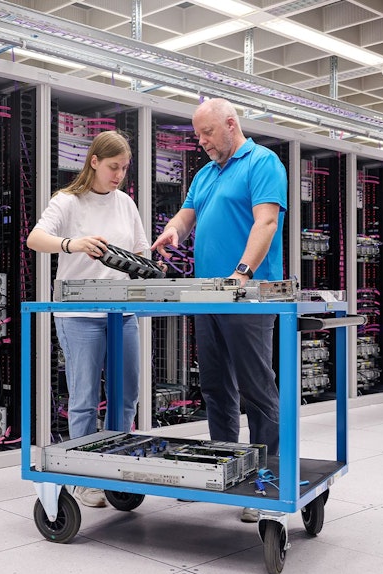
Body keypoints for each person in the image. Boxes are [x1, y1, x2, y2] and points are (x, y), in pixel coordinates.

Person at [151, 98, 287, 523]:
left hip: (247, 294)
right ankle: (224, 469)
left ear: (231, 125)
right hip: (208, 295)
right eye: (198, 135)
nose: (202, 142)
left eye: (207, 133)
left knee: (256, 389)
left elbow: (265, 222)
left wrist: (241, 274)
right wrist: (171, 232)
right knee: (214, 387)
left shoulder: (262, 162)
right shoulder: (206, 174)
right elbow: (186, 216)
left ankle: (265, 480)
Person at [26, 131, 149, 508]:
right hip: (79, 314)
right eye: (114, 167)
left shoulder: (126, 203)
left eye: (125, 168)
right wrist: (72, 244)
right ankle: (83, 476)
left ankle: (115, 465)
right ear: (94, 161)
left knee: (127, 395)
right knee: (84, 399)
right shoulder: (68, 201)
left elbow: (140, 251)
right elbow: (34, 238)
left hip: (123, 313)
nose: (119, 175)